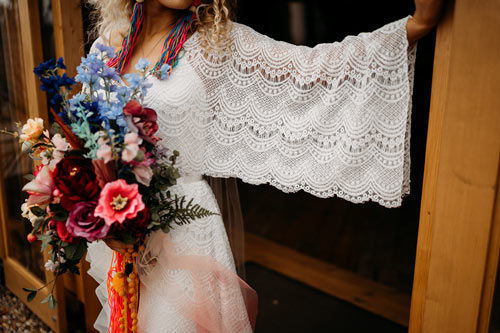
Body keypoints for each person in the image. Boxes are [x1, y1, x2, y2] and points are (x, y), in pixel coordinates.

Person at [85, 0, 444, 331]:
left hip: (183, 232)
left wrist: (416, 26)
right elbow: (87, 134)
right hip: (118, 225)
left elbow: (314, 68)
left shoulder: (215, 42)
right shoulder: (107, 44)